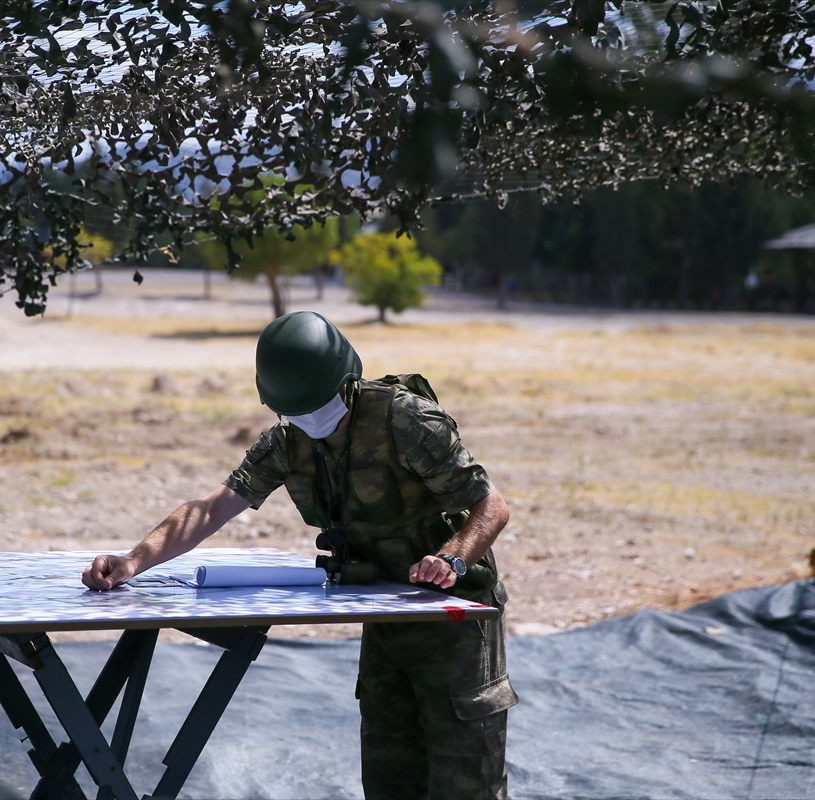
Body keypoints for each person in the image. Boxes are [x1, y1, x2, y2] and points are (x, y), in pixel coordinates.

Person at [83, 311, 517, 799]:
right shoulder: (290, 441)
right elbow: (209, 510)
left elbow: (491, 505)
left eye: (318, 404)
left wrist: (452, 558)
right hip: (387, 617)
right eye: (297, 409)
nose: (311, 417)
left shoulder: (406, 420)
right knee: (390, 779)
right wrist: (132, 562)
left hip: (455, 621)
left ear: (346, 381)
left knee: (466, 784)